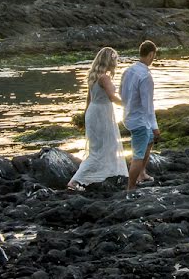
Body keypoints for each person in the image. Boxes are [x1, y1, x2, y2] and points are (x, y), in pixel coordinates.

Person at [67, 47, 129, 190]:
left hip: (94, 112)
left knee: (102, 148)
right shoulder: (104, 78)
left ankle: (106, 175)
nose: (116, 63)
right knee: (100, 150)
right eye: (114, 60)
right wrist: (128, 104)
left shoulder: (93, 76)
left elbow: (88, 100)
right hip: (101, 114)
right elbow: (112, 97)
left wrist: (84, 116)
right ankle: (75, 181)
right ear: (109, 60)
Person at [121, 40, 160, 190]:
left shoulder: (128, 71)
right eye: (154, 56)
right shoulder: (146, 77)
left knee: (149, 140)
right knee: (138, 154)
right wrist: (155, 127)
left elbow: (121, 94)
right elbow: (148, 106)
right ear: (151, 55)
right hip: (140, 120)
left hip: (128, 115)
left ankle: (142, 173)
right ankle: (131, 187)